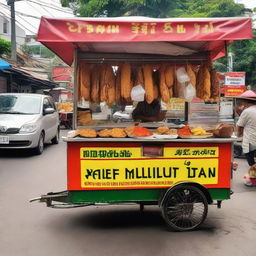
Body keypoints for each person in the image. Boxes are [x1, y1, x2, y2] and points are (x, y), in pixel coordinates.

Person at [236, 98, 256, 166]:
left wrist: (238, 136)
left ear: (246, 102)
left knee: (250, 157)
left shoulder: (247, 111)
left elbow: (240, 125)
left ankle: (253, 169)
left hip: (251, 139)